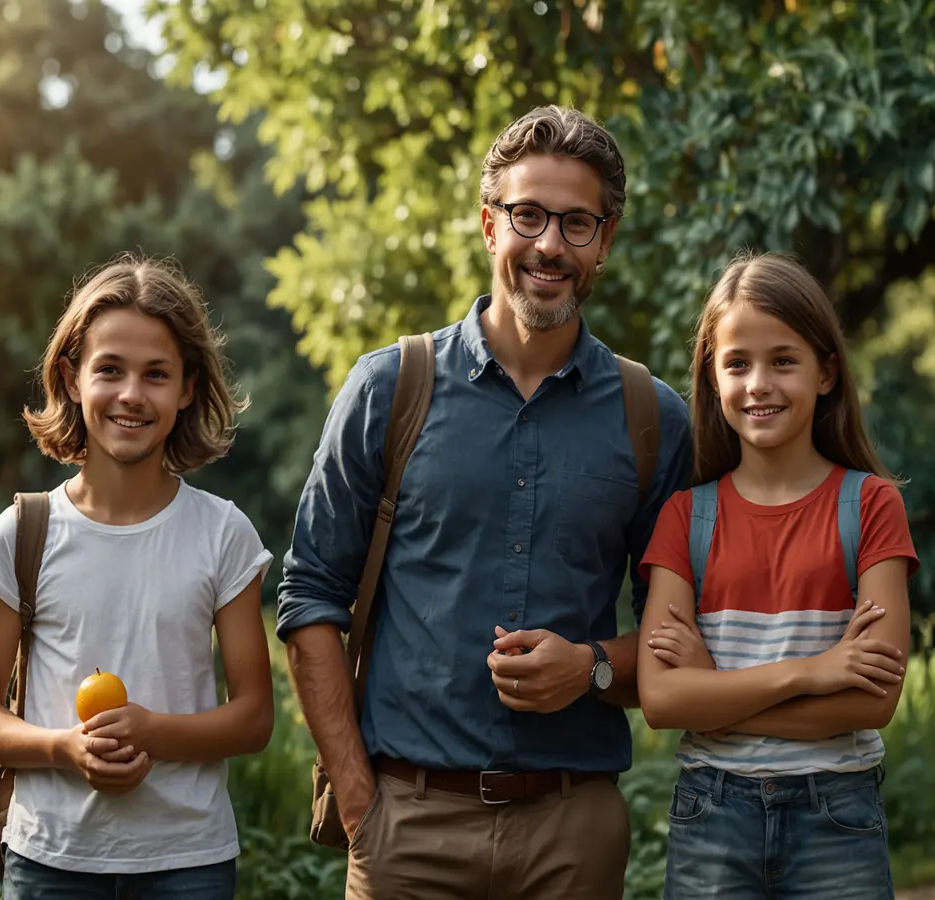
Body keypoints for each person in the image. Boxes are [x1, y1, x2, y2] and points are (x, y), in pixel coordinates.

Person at [276, 105, 693, 899]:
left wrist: (593, 668)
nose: (548, 245)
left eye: (577, 223)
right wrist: (362, 802)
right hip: (407, 827)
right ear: (487, 224)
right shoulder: (387, 388)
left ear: (605, 240)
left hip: (575, 833)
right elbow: (309, 599)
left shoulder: (653, 418)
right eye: (527, 215)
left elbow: (681, 636)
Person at [0, 254, 274, 898]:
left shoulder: (223, 534)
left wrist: (152, 730)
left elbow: (254, 717)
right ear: (72, 380)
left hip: (189, 862)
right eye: (110, 370)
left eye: (156, 374)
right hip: (50, 860)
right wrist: (62, 749)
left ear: (186, 389)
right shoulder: (24, 532)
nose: (132, 395)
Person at [636, 251, 918, 899]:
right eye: (737, 363)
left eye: (783, 360)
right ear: (712, 378)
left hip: (837, 816)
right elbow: (661, 700)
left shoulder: (871, 506)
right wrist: (811, 673)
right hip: (711, 814)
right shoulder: (686, 517)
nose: (758, 382)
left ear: (826, 372)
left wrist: (714, 689)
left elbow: (874, 701)